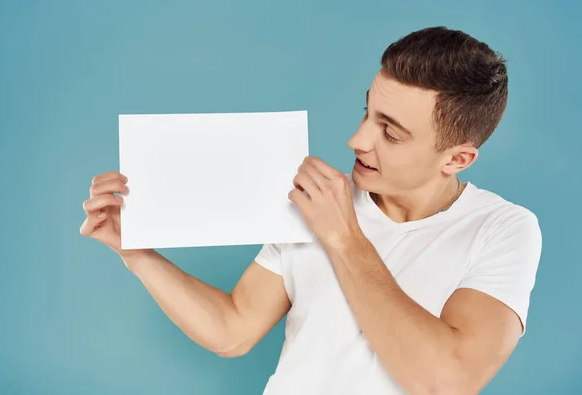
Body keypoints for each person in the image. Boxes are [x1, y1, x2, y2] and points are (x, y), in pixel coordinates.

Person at [80, 26, 542, 395]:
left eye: (391, 133)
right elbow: (233, 330)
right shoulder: (314, 203)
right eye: (367, 113)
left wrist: (343, 237)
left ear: (456, 159)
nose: (358, 140)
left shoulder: (502, 229)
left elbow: (445, 381)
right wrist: (136, 253)